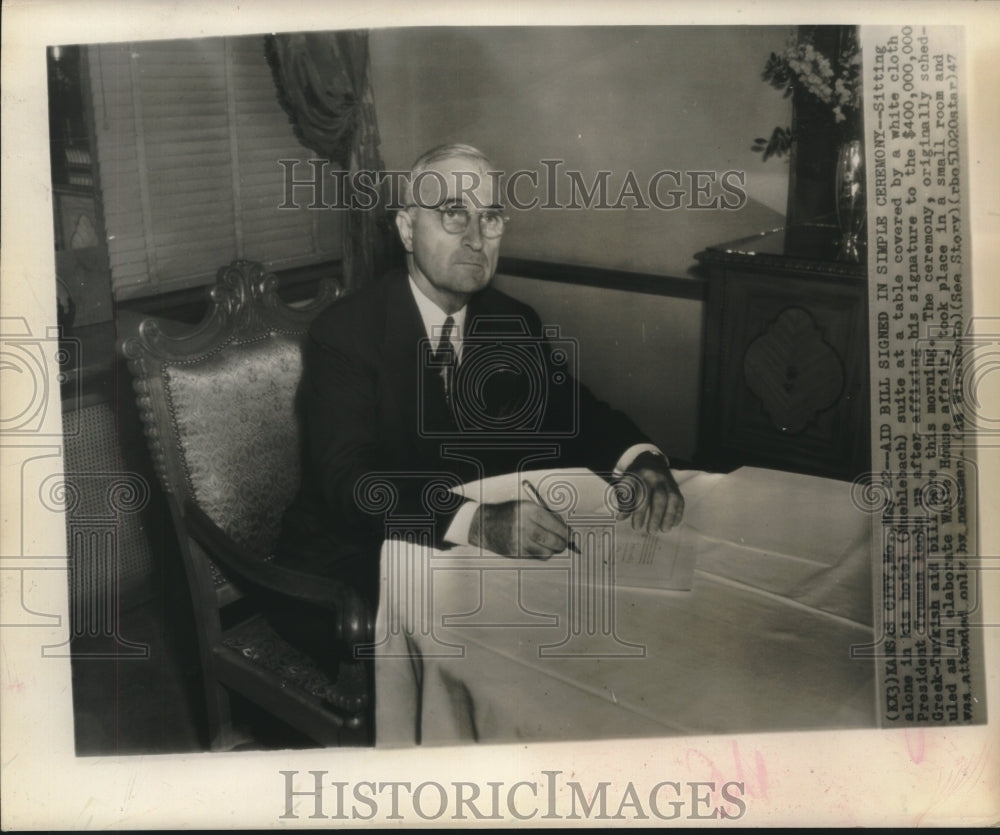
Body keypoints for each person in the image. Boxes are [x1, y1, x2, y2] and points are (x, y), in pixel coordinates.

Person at [274, 143, 684, 635]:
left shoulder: (510, 320)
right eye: (453, 214)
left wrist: (639, 457)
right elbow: (353, 481)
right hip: (356, 565)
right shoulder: (345, 333)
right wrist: (479, 523)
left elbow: (573, 410)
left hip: (475, 553)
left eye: (489, 218)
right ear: (407, 229)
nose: (475, 239)